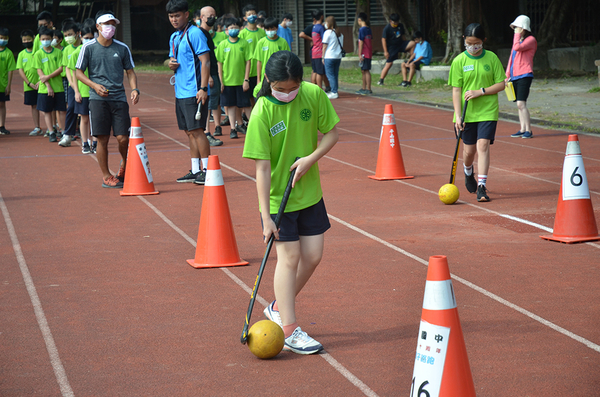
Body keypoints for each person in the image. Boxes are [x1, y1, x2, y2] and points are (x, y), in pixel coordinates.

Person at [242, 51, 339, 354]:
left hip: (309, 193)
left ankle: (277, 307)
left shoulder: (312, 94)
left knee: (313, 256)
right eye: (280, 89)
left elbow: (332, 134)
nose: (287, 94)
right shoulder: (261, 113)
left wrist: (311, 159)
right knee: (289, 258)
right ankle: (289, 328)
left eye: (292, 88)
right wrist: (266, 216)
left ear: (301, 80)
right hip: (277, 200)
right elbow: (262, 168)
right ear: (268, 81)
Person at [76, 11, 140, 188]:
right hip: (97, 99)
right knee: (102, 139)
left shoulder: (122, 48)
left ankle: (124, 166)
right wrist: (94, 86)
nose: (110, 27)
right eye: (106, 24)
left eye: (113, 24)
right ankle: (106, 176)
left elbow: (130, 71)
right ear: (98, 27)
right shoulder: (88, 48)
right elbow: (78, 72)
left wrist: (134, 89)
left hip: (118, 98)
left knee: (123, 138)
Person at [449, 23, 505, 202]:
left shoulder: (492, 58)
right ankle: (468, 172)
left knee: (483, 146)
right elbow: (456, 90)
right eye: (469, 43)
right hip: (467, 113)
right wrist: (458, 116)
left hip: (488, 110)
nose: (473, 47)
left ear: (484, 41)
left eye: (477, 43)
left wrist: (481, 91)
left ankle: (482, 186)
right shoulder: (459, 61)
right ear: (464, 41)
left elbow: (501, 84)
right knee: (469, 151)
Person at [166, 0, 213, 184]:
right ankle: (195, 170)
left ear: (186, 14)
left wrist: (202, 88)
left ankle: (208, 170)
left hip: (194, 91)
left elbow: (205, 61)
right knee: (189, 132)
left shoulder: (194, 34)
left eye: (177, 15)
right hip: (180, 92)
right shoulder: (174, 37)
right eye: (171, 16)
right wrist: (170, 64)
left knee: (198, 131)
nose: (174, 19)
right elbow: (173, 59)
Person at [216, 17, 251, 139]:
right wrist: (221, 81)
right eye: (231, 28)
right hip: (227, 81)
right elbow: (219, 64)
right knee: (230, 105)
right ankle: (233, 128)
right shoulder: (222, 45)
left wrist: (246, 79)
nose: (233, 30)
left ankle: (252, 128)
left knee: (246, 105)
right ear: (226, 30)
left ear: (240, 29)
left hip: (241, 81)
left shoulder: (244, 43)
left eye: (236, 27)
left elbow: (248, 62)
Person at [194, 6, 223, 146]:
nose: (212, 18)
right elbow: (203, 59)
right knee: (207, 105)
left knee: (213, 104)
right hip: (209, 76)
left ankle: (209, 132)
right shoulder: (200, 34)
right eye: (209, 15)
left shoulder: (208, 34)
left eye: (214, 15)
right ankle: (206, 133)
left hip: (214, 73)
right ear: (202, 17)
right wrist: (209, 77)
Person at [506, 15, 537, 139]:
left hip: (525, 75)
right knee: (518, 104)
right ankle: (522, 128)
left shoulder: (531, 40)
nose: (515, 30)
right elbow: (511, 59)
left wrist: (516, 35)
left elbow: (517, 48)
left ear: (524, 28)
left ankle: (528, 129)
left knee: (521, 103)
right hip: (514, 76)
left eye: (518, 27)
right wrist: (507, 75)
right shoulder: (518, 41)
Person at [34, 26, 66, 143]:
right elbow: (39, 71)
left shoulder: (58, 52)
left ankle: (63, 131)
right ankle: (51, 132)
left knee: (61, 110)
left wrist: (48, 77)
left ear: (52, 38)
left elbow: (61, 68)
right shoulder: (38, 54)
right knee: (47, 111)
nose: (45, 41)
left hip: (58, 87)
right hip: (44, 89)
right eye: (43, 39)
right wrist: (47, 84)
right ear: (40, 40)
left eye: (47, 38)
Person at [69, 25, 96, 154]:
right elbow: (74, 73)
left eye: (91, 37)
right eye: (86, 38)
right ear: (80, 36)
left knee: (96, 118)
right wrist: (76, 91)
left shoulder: (97, 50)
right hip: (83, 91)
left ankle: (95, 143)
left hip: (96, 91)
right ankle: (85, 143)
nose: (89, 40)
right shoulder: (76, 53)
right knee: (84, 118)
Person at [58, 21, 82, 147]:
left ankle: (90, 137)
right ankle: (67, 135)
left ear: (78, 34)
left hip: (87, 83)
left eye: (70, 34)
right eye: (66, 35)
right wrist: (72, 84)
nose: (68, 38)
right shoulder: (67, 50)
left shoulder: (85, 46)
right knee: (71, 107)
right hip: (73, 84)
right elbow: (67, 68)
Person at [239, 3, 266, 106]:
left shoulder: (262, 33)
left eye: (254, 14)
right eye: (249, 14)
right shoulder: (242, 34)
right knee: (250, 96)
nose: (252, 16)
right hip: (248, 72)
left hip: (261, 69)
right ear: (245, 18)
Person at [17, 29, 42, 136]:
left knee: (48, 105)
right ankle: (37, 127)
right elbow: (20, 70)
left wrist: (40, 81)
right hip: (29, 86)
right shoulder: (21, 54)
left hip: (42, 84)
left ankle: (53, 127)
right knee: (34, 105)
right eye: (24, 40)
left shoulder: (38, 52)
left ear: (34, 39)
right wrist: (29, 83)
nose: (26, 41)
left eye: (29, 39)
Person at [378, 13, 415, 86]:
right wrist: (385, 51)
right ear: (390, 21)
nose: (395, 23)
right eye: (394, 22)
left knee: (413, 43)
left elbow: (403, 36)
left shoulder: (400, 26)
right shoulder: (387, 28)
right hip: (392, 47)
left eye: (397, 22)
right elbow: (383, 40)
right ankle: (381, 80)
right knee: (389, 63)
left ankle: (411, 61)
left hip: (401, 44)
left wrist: (406, 45)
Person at [253, 17, 290, 89]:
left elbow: (287, 59)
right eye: (267, 29)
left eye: (272, 29)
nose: (270, 31)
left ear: (277, 28)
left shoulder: (283, 42)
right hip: (265, 75)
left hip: (279, 74)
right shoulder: (261, 42)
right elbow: (259, 62)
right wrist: (258, 79)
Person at [322, 16, 344, 100]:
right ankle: (335, 91)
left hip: (329, 56)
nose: (325, 24)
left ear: (329, 23)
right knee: (335, 74)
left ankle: (334, 92)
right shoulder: (339, 33)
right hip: (338, 56)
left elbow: (324, 46)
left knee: (330, 75)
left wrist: (322, 57)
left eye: (326, 22)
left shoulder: (327, 33)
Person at [0, 27, 16, 135]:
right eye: (1, 38)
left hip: (3, 84)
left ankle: (2, 125)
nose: (2, 40)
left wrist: (9, 85)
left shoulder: (9, 53)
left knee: (2, 104)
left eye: (4, 38)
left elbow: (10, 70)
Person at [355, 13, 372, 95]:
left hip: (364, 53)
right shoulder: (368, 29)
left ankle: (368, 88)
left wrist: (359, 54)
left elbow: (361, 42)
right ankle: (364, 88)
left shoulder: (362, 30)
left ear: (359, 20)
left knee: (366, 70)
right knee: (363, 70)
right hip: (368, 52)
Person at [310, 10, 326, 90]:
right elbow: (324, 40)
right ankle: (319, 89)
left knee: (315, 71)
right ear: (321, 17)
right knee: (320, 72)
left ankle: (314, 88)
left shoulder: (314, 27)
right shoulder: (321, 28)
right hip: (319, 52)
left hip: (314, 52)